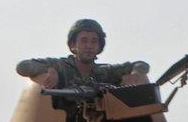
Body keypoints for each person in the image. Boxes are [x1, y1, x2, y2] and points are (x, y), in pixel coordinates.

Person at [16, 19, 150, 89]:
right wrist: (48, 69)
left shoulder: (105, 73)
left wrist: (136, 74)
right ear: (73, 45)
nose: (89, 46)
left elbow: (141, 65)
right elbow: (22, 67)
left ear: (99, 47)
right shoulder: (60, 66)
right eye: (84, 41)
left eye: (94, 41)